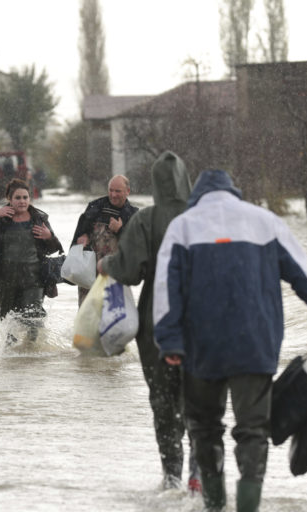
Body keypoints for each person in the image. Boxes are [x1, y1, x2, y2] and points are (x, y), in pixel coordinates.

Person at [152, 169, 307, 512]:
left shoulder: (183, 226)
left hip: (201, 348)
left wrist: (170, 342)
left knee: (205, 427)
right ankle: (248, 507)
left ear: (198, 194)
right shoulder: (266, 222)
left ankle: (214, 504)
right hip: (254, 344)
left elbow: (166, 291)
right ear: (233, 191)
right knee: (253, 429)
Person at [96, 152, 200, 492]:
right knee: (201, 399)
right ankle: (200, 470)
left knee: (163, 401)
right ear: (187, 180)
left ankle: (171, 475)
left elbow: (130, 271)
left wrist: (107, 266)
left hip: (157, 323)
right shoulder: (203, 218)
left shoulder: (146, 220)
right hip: (203, 325)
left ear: (154, 184)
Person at [0, 178, 63, 344]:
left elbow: (52, 249)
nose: (22, 201)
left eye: (25, 197)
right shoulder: (0, 219)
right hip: (5, 279)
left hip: (34, 278)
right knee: (8, 319)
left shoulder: (38, 219)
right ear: (9, 200)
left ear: (30, 198)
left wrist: (50, 237)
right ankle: (11, 356)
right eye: (17, 198)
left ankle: (32, 351)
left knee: (34, 317)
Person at [71, 174, 138, 305]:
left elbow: (136, 250)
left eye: (117, 191)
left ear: (128, 191)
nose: (113, 195)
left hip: (116, 277)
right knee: (88, 320)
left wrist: (120, 231)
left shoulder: (134, 215)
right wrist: (82, 238)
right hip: (88, 277)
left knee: (113, 320)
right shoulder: (94, 207)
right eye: (110, 190)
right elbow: (76, 240)